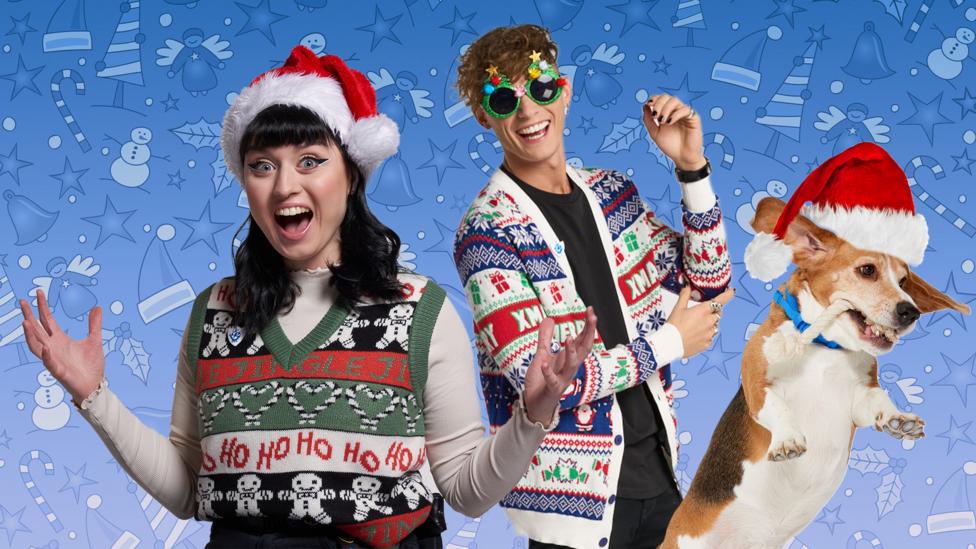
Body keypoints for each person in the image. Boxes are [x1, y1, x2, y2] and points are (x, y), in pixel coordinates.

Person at [18, 45, 597, 549]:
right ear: (244, 182)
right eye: (262, 166)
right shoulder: (215, 312)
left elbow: (468, 493)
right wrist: (95, 397)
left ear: (351, 173)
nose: (285, 185)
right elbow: (192, 489)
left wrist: (533, 414)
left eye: (311, 161)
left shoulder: (418, 309)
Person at [452, 25, 734, 548]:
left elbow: (710, 283)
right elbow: (546, 382)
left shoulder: (612, 194)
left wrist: (691, 169)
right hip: (572, 515)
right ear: (484, 115)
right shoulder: (487, 231)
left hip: (661, 480)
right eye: (503, 98)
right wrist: (671, 342)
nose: (528, 111)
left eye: (539, 88)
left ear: (563, 90)